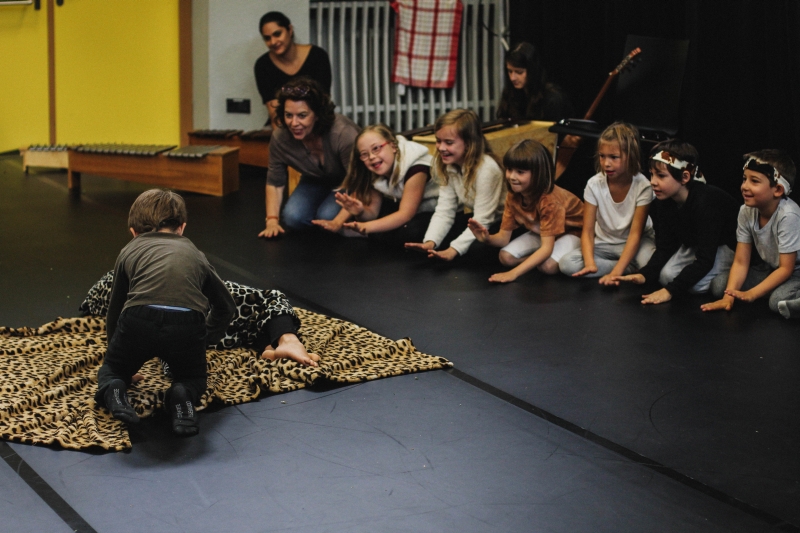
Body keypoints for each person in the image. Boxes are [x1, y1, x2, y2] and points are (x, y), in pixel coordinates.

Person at [94, 189, 236, 437]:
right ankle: (182, 396)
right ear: (182, 228)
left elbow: (115, 308)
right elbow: (226, 306)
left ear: (133, 232)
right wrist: (206, 338)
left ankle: (114, 389)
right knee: (193, 379)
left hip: (139, 319)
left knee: (111, 371)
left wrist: (117, 358)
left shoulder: (129, 250)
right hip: (186, 323)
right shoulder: (196, 255)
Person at [609, 140, 739, 304]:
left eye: (661, 176)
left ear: (685, 177)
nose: (653, 181)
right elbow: (666, 246)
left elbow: (705, 259)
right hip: (697, 245)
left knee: (694, 286)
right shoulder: (664, 200)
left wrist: (670, 291)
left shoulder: (705, 203)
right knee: (666, 276)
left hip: (725, 246)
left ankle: (733, 275)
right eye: (652, 174)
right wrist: (645, 274)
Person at [468, 139, 583, 283]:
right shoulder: (513, 195)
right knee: (506, 257)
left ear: (538, 173)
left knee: (547, 267)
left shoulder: (550, 201)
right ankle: (536, 261)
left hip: (574, 232)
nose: (512, 177)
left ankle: (542, 260)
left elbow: (546, 248)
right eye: (509, 170)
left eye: (520, 172)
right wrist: (487, 239)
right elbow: (503, 238)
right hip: (545, 232)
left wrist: (513, 273)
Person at [702, 150, 800, 318]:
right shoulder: (746, 211)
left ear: (777, 189)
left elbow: (786, 269)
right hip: (769, 269)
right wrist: (728, 298)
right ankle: (771, 291)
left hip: (795, 273)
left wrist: (752, 294)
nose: (744, 186)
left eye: (754, 181)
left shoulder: (788, 215)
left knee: (776, 301)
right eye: (744, 179)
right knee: (720, 286)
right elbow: (741, 261)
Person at [257, 77, 359, 237]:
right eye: (288, 115)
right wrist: (272, 221)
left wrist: (337, 222)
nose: (294, 123)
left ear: (317, 114)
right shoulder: (280, 138)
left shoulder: (343, 134)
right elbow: (275, 183)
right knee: (293, 218)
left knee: (327, 216)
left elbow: (362, 184)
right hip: (316, 179)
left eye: (302, 115)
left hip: (349, 182)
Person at [558, 122, 656, 283]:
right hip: (604, 243)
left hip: (635, 243)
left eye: (614, 157)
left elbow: (635, 235)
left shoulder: (643, 186)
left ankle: (624, 268)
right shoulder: (594, 184)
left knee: (651, 266)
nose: (606, 163)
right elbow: (587, 231)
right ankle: (628, 268)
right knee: (567, 264)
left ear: (630, 156)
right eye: (602, 156)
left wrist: (614, 274)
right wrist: (590, 264)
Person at [405, 109, 505, 261]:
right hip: (477, 221)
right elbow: (445, 211)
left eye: (449, 142)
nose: (441, 147)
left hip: (499, 224)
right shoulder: (450, 165)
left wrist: (453, 250)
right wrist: (430, 243)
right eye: (438, 141)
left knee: (476, 250)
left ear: (469, 143)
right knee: (413, 231)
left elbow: (483, 220)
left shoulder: (487, 169)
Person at [312, 124, 437, 243]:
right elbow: (372, 213)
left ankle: (376, 234)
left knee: (411, 231)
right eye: (364, 154)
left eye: (376, 148)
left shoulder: (416, 169)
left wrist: (366, 227)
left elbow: (405, 214)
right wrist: (355, 215)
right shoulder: (376, 169)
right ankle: (378, 234)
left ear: (393, 146)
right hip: (402, 205)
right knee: (385, 222)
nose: (371, 156)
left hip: (432, 210)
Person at [254, 11, 332, 128]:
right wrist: (283, 138)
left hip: (317, 123)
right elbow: (275, 113)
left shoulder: (318, 56)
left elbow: (322, 102)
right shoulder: (262, 65)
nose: (273, 42)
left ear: (290, 30)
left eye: (277, 34)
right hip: (284, 126)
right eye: (267, 38)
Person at [495, 42, 573, 122]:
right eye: (510, 71)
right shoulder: (511, 93)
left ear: (532, 71)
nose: (512, 78)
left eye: (519, 72)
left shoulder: (552, 98)